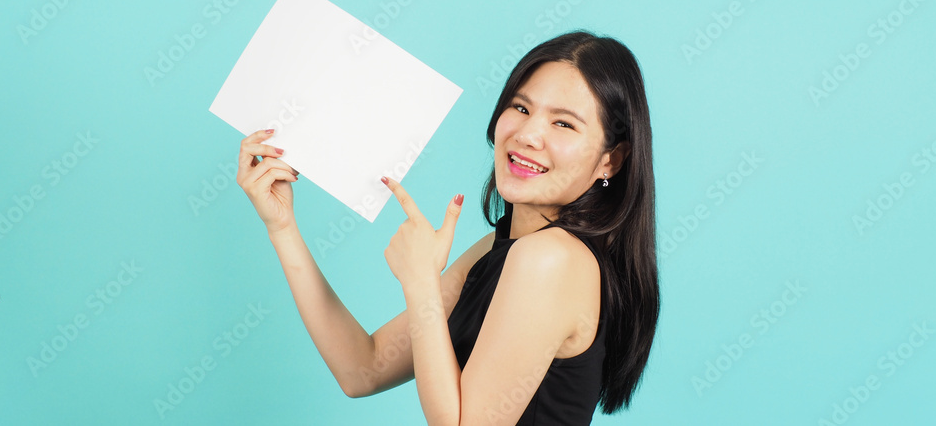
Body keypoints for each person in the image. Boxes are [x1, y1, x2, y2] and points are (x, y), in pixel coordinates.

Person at [235, 30, 659, 425]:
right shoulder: (502, 248)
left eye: (563, 123)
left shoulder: (551, 259)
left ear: (611, 160)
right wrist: (282, 227)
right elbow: (363, 368)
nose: (528, 134)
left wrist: (421, 282)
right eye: (521, 107)